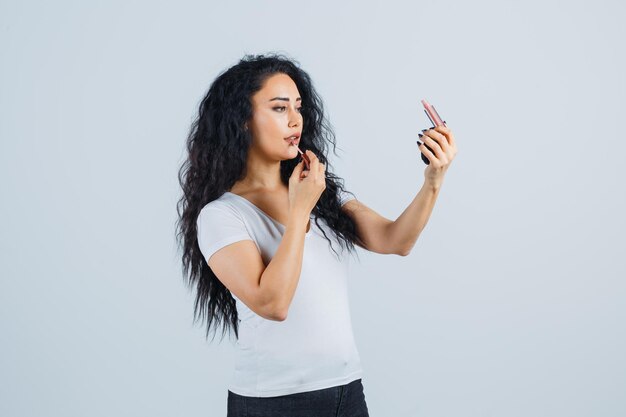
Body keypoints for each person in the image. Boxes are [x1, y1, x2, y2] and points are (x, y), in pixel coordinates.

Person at [175, 52, 457, 416]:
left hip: (346, 391)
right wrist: (299, 210)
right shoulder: (222, 215)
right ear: (242, 121)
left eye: (298, 107)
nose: (295, 120)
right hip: (274, 403)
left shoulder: (317, 194)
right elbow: (273, 304)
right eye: (279, 108)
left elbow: (395, 240)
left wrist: (434, 180)